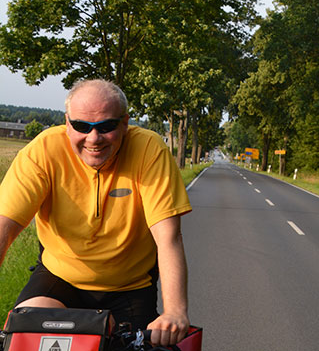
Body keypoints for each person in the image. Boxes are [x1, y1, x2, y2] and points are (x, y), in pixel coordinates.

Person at [0, 79, 192, 347]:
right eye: (81, 126)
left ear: (125, 123)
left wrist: (175, 312)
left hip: (128, 287)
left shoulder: (149, 149)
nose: (93, 138)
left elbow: (168, 237)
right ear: (67, 124)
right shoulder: (43, 150)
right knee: (28, 332)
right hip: (59, 278)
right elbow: (4, 228)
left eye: (106, 127)